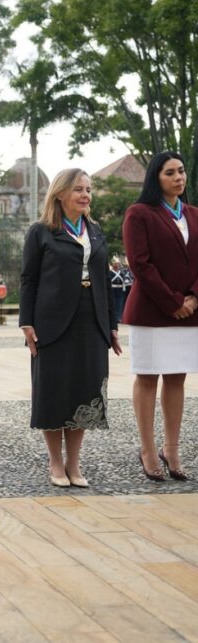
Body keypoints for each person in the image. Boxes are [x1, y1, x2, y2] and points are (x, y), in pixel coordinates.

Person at [20, 168, 121, 488]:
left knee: (84, 390)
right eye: (78, 189)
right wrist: (27, 322)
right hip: (51, 322)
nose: (85, 195)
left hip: (91, 320)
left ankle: (74, 464)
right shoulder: (41, 232)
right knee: (53, 390)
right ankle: (55, 462)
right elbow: (29, 279)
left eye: (88, 189)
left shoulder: (95, 230)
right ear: (60, 193)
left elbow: (104, 279)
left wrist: (111, 324)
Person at [123, 151, 196, 481]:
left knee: (177, 377)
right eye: (170, 173)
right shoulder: (139, 214)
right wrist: (172, 302)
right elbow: (140, 264)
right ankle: (148, 450)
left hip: (189, 312)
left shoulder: (194, 214)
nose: (178, 177)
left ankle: (171, 448)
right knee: (149, 377)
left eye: (181, 171)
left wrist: (192, 298)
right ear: (156, 178)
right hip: (152, 311)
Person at [108, 256, 126, 322]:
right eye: (115, 263)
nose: (117, 265)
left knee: (119, 304)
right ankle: (113, 318)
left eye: (117, 263)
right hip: (113, 289)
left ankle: (119, 317)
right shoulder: (110, 272)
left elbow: (123, 280)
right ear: (112, 264)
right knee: (113, 304)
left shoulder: (121, 272)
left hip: (120, 289)